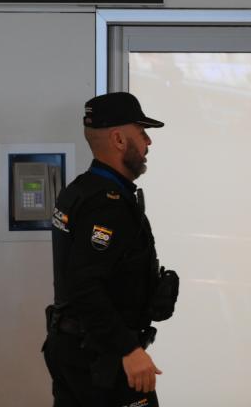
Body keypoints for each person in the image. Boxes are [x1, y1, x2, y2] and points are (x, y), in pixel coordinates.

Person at [43, 92, 179, 407]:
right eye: (142, 133)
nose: (148, 143)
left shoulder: (81, 190)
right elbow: (84, 285)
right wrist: (128, 350)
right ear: (118, 139)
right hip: (102, 357)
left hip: (77, 348)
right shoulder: (107, 205)